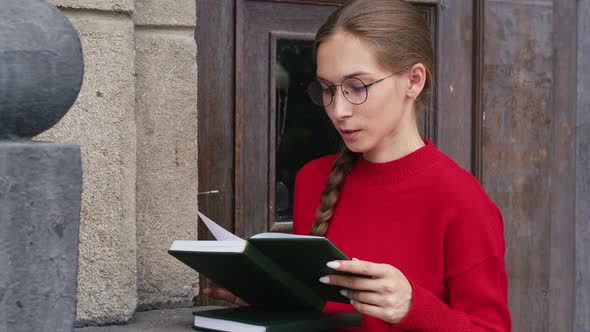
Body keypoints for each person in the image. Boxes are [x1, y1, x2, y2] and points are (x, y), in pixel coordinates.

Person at [206, 0, 511, 330]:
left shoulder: (463, 200)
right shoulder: (312, 180)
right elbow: (323, 312)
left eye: (357, 87)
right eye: (327, 89)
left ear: (414, 80)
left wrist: (413, 306)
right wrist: (269, 300)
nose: (338, 110)